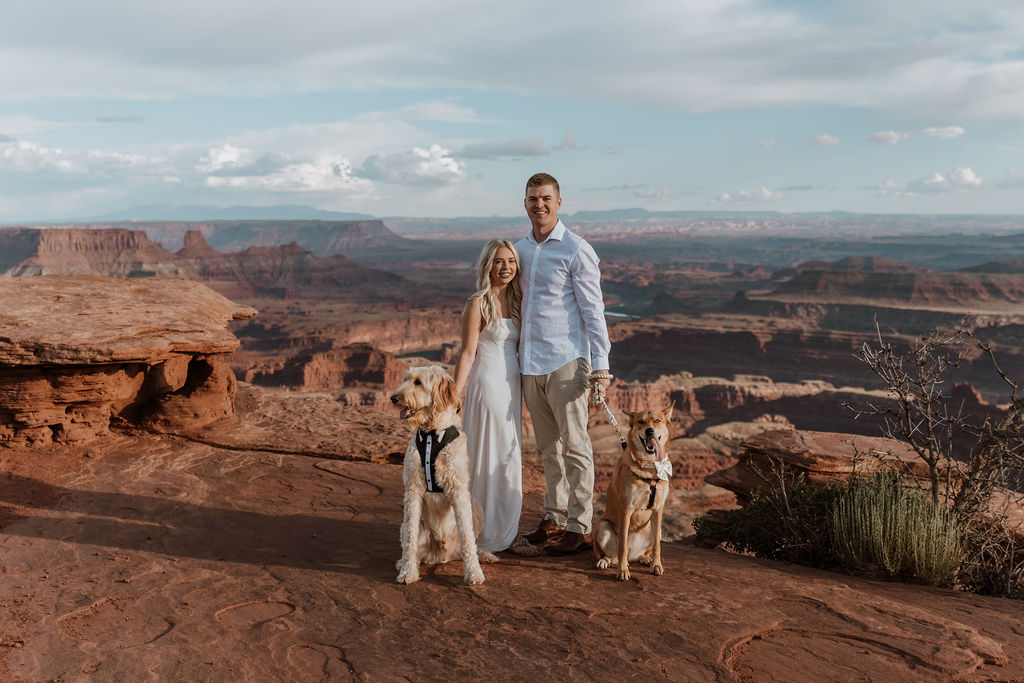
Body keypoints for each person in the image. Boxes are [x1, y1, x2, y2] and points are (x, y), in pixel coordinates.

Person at [515, 172, 612, 555]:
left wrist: (600, 365)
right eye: (532, 198)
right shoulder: (520, 249)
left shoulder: (576, 249)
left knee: (575, 446)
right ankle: (554, 518)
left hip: (568, 362)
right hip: (530, 364)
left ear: (559, 202)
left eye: (545, 198)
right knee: (548, 449)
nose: (539, 204)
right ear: (524, 203)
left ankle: (580, 526)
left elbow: (593, 310)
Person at [453, 239, 524, 554]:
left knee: (509, 453)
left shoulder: (519, 299)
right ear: (487, 266)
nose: (506, 267)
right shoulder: (477, 303)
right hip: (489, 383)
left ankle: (504, 528)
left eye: (510, 261)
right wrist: (455, 395)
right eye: (499, 261)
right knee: (489, 452)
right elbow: (467, 353)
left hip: (513, 384)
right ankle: (482, 531)